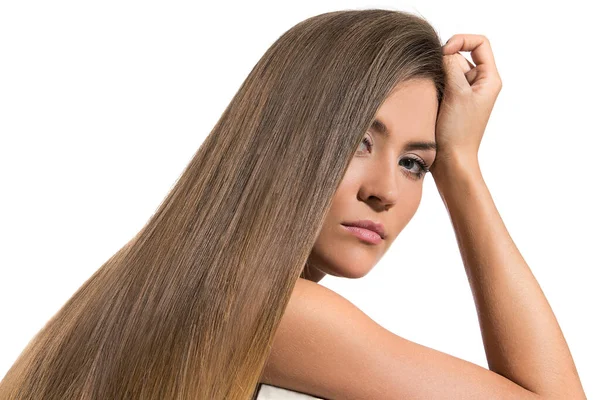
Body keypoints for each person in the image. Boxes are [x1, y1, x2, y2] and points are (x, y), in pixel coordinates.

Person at [0, 9, 586, 400]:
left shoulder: (155, 283)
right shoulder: (275, 311)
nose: (385, 189)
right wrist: (461, 169)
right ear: (286, 141)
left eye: (417, 163)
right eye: (359, 141)